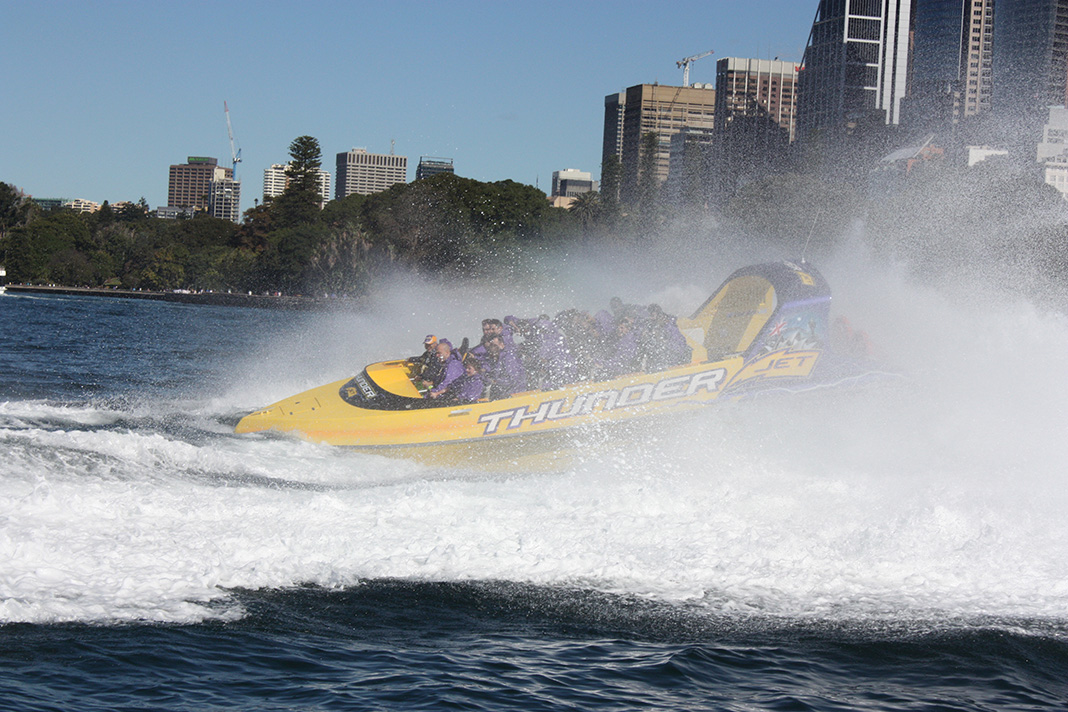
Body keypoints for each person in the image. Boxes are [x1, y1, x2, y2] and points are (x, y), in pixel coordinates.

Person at [483, 333, 527, 398]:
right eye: (490, 346)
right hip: (503, 393)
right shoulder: (493, 358)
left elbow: (513, 379)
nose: (492, 348)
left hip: (515, 395)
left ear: (502, 345)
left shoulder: (509, 357)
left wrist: (496, 382)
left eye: (494, 345)